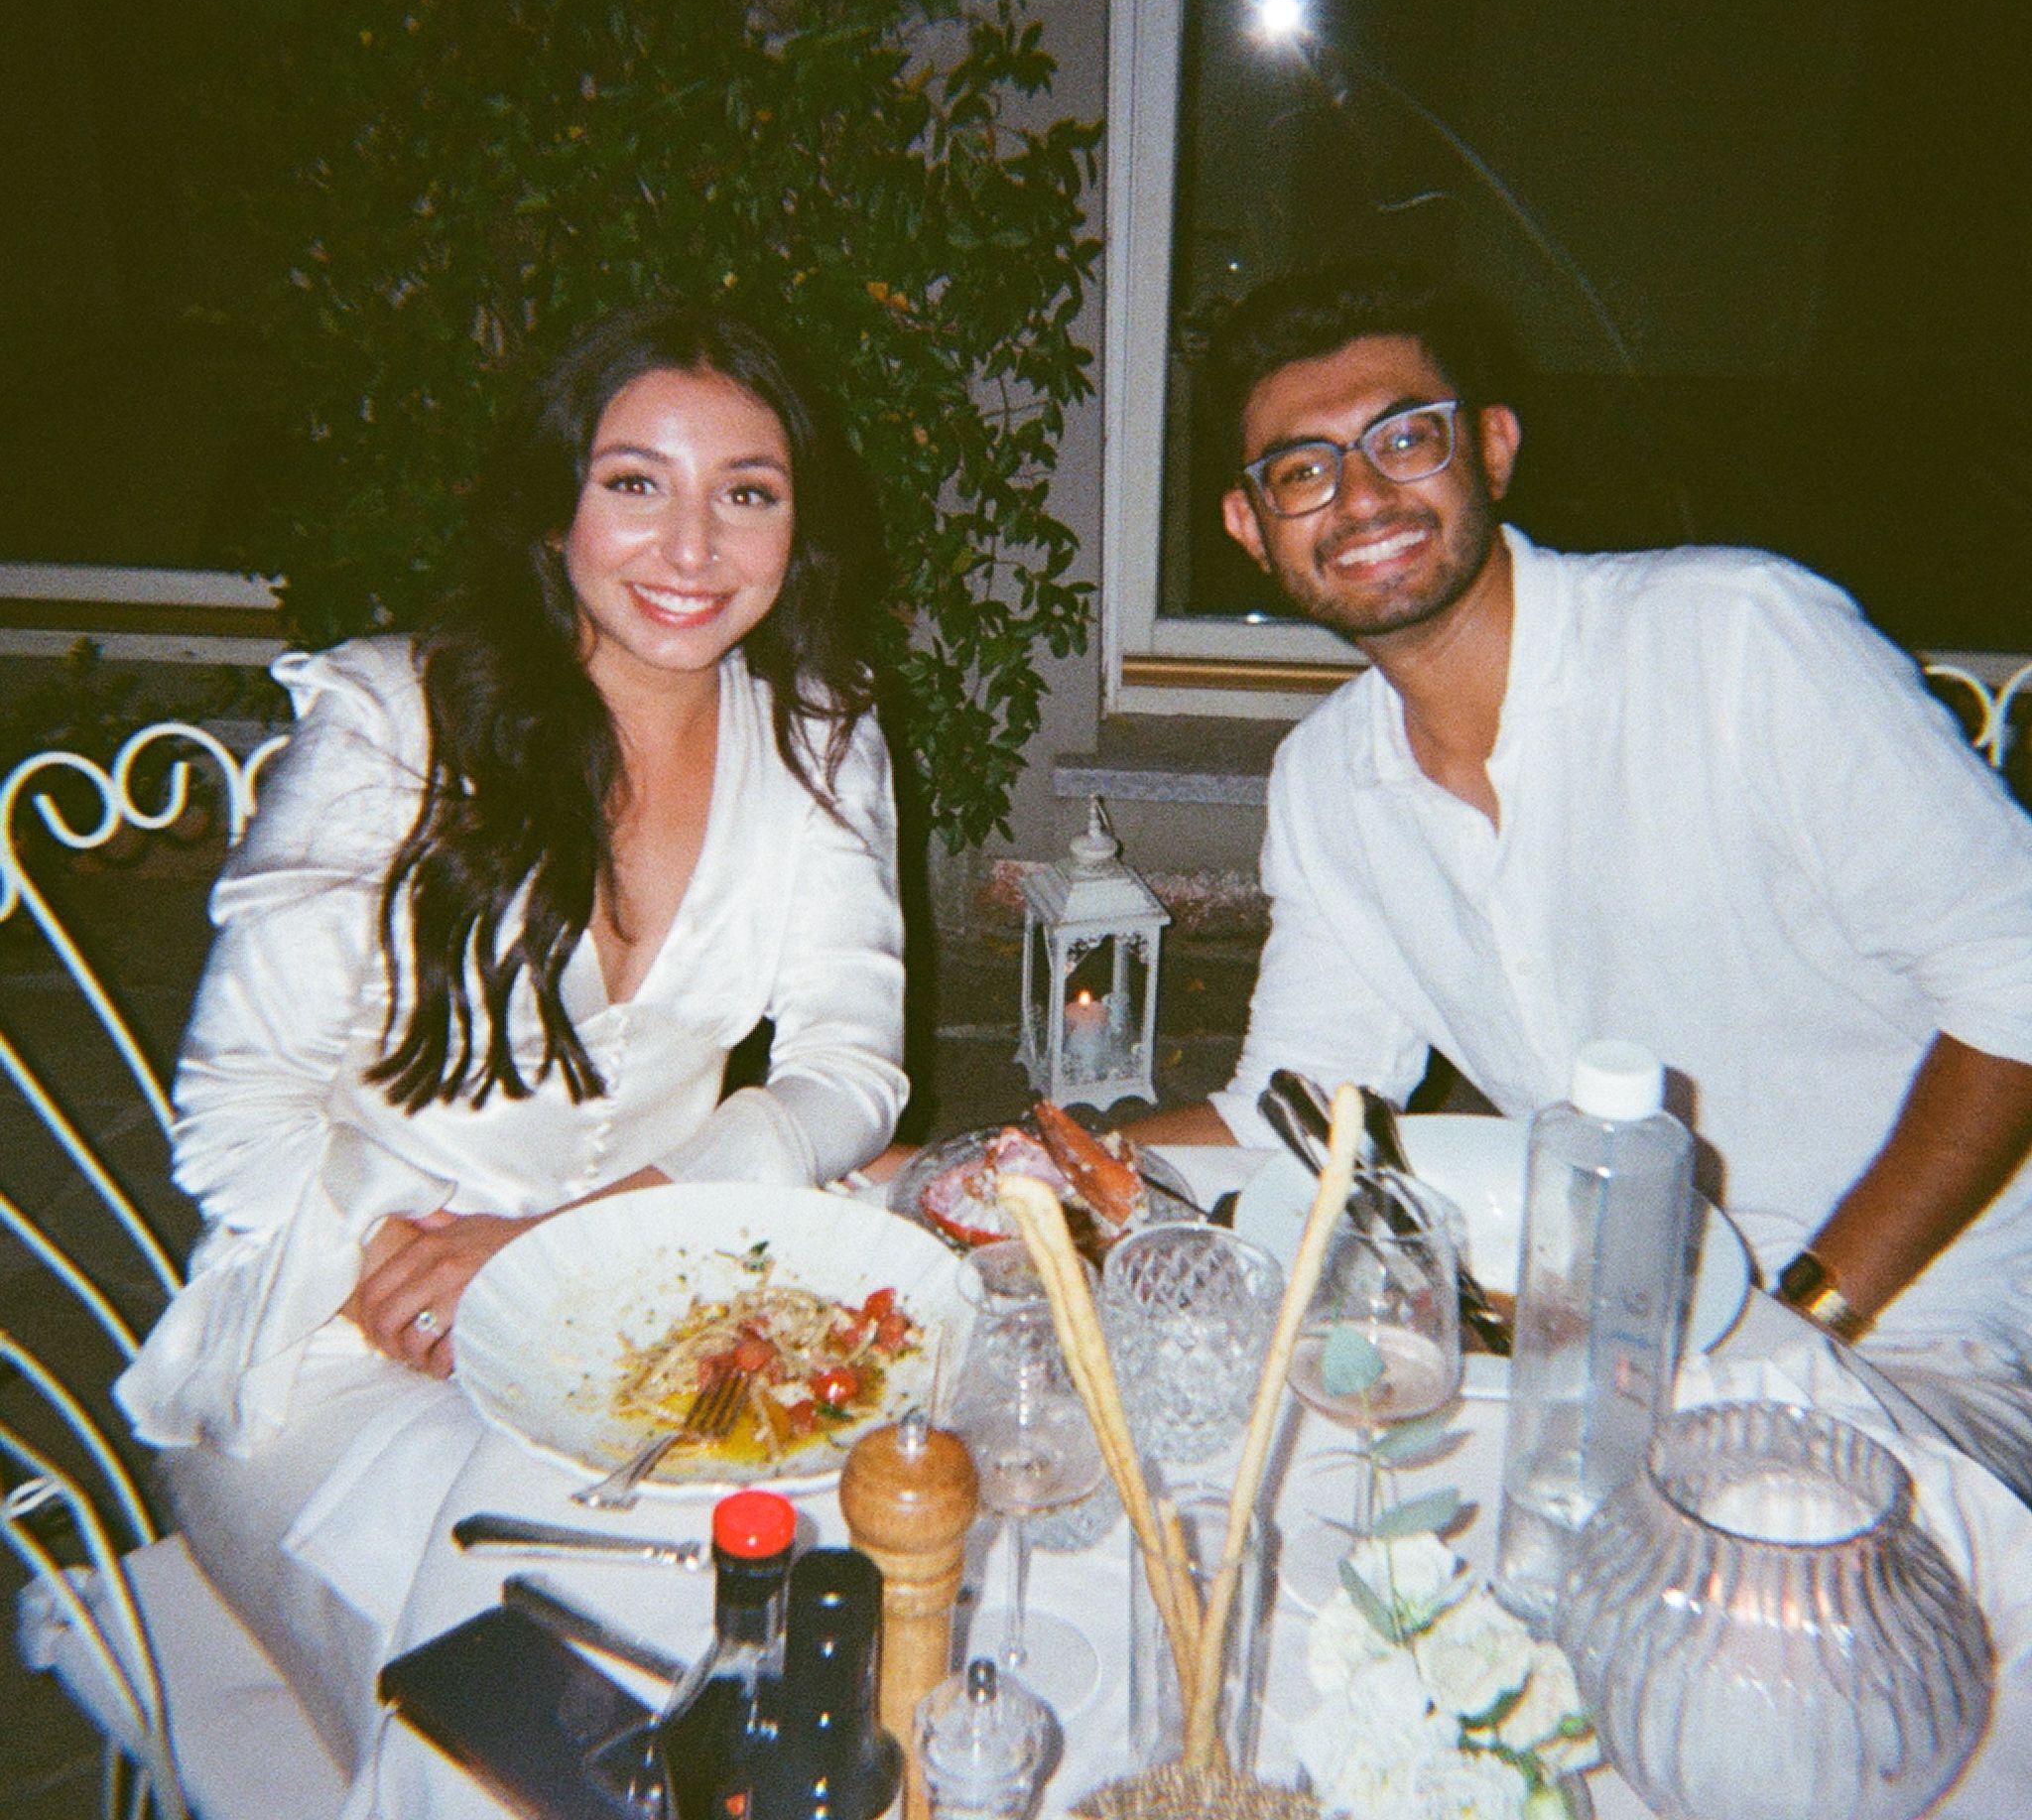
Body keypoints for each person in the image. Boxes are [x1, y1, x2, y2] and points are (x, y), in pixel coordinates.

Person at [114, 300, 908, 1769]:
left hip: (647, 1316)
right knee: (530, 1722)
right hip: (343, 1344)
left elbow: (847, 1069)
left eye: (747, 494)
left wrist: (563, 1249)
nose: (692, 548)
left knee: (814, 1632)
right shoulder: (394, 719)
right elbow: (237, 1111)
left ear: (799, 529)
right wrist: (399, 1265)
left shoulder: (820, 734)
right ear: (554, 510)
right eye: (635, 483)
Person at [1131, 257, 2032, 1495]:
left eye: (1405, 438)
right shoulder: (1326, 782)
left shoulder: (1735, 641)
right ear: (1251, 526)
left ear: (1491, 450)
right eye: (1302, 469)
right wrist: (1023, 1164)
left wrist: (1798, 1318)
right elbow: (1293, 1108)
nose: (1362, 494)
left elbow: (2013, 976)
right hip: (1603, 1356)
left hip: (1917, 1340)